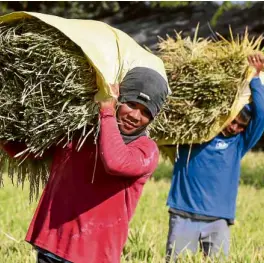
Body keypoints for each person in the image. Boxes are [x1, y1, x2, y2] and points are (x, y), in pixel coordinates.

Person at [2, 67, 169, 263]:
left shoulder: (145, 150)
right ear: (120, 99)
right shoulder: (82, 131)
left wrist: (106, 110)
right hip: (53, 243)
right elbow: (31, 152)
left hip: (93, 254)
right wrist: (6, 129)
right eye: (131, 104)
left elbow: (115, 162)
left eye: (146, 112)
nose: (135, 115)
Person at [166, 53, 264, 261]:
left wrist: (255, 77)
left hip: (218, 219)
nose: (234, 128)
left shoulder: (238, 144)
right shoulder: (194, 135)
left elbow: (262, 114)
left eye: (240, 126)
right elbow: (176, 113)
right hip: (183, 215)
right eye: (232, 121)